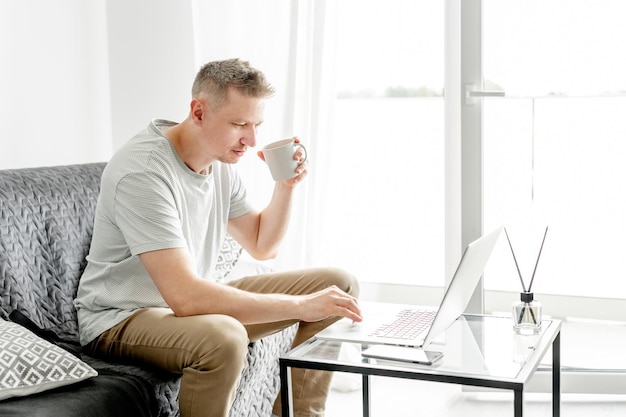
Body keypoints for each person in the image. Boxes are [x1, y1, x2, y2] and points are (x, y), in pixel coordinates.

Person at [74, 58, 362, 417]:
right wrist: (301, 307)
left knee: (338, 287)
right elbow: (186, 298)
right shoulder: (144, 171)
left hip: (182, 308)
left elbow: (262, 244)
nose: (252, 140)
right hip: (120, 317)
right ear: (198, 111)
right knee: (224, 338)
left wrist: (284, 186)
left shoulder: (219, 163)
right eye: (240, 124)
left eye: (257, 124)